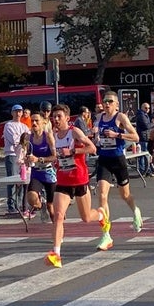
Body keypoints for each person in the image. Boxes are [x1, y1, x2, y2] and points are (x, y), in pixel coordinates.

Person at [46, 104, 106, 268]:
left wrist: (72, 152)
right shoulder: (53, 134)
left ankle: (101, 215)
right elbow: (54, 155)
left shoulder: (74, 132)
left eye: (59, 116)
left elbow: (92, 148)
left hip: (79, 180)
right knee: (58, 216)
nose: (56, 120)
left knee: (86, 218)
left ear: (67, 118)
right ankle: (56, 254)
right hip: (63, 181)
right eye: (54, 117)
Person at [93, 90, 142, 250]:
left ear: (116, 104)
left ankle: (135, 211)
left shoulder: (120, 117)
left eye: (110, 101)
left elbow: (136, 137)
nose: (106, 104)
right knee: (101, 195)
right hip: (104, 159)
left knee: (125, 194)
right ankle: (106, 234)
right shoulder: (99, 118)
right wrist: (95, 137)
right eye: (105, 101)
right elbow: (96, 137)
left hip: (118, 159)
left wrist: (117, 134)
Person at [26, 112, 57, 222]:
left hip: (48, 173)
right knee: (31, 198)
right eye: (32, 121)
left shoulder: (48, 136)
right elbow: (28, 154)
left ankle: (57, 230)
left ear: (43, 122)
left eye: (36, 121)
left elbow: (55, 156)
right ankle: (41, 205)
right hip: (36, 173)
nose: (34, 123)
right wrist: (26, 160)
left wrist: (40, 159)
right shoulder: (28, 137)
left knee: (52, 208)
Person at [2, 105, 29, 215]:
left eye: (20, 111)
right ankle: (11, 205)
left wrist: (22, 140)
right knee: (12, 180)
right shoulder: (8, 125)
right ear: (12, 113)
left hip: (23, 156)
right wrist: (22, 139)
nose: (18, 113)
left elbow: (28, 138)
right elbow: (14, 140)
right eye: (16, 111)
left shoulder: (24, 126)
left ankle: (20, 205)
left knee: (22, 180)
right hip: (12, 155)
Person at [135, 103, 152, 175]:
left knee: (144, 154)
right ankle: (144, 170)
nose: (147, 109)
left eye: (148, 108)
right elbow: (146, 126)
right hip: (143, 137)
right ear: (142, 107)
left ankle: (146, 169)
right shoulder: (141, 115)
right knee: (143, 154)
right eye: (146, 108)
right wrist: (153, 122)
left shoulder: (144, 114)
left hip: (145, 136)